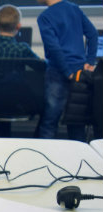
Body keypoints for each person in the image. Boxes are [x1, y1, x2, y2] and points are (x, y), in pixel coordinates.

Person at [0, 4, 41, 137]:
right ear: (18, 27)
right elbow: (41, 67)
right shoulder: (22, 49)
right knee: (48, 107)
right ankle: (39, 140)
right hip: (15, 101)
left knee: (0, 92)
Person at [35, 0, 98, 141]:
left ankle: (45, 156)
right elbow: (93, 34)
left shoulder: (44, 17)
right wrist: (90, 61)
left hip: (58, 71)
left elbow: (54, 48)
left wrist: (66, 70)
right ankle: (79, 159)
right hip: (80, 72)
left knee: (50, 121)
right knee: (76, 122)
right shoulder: (74, 8)